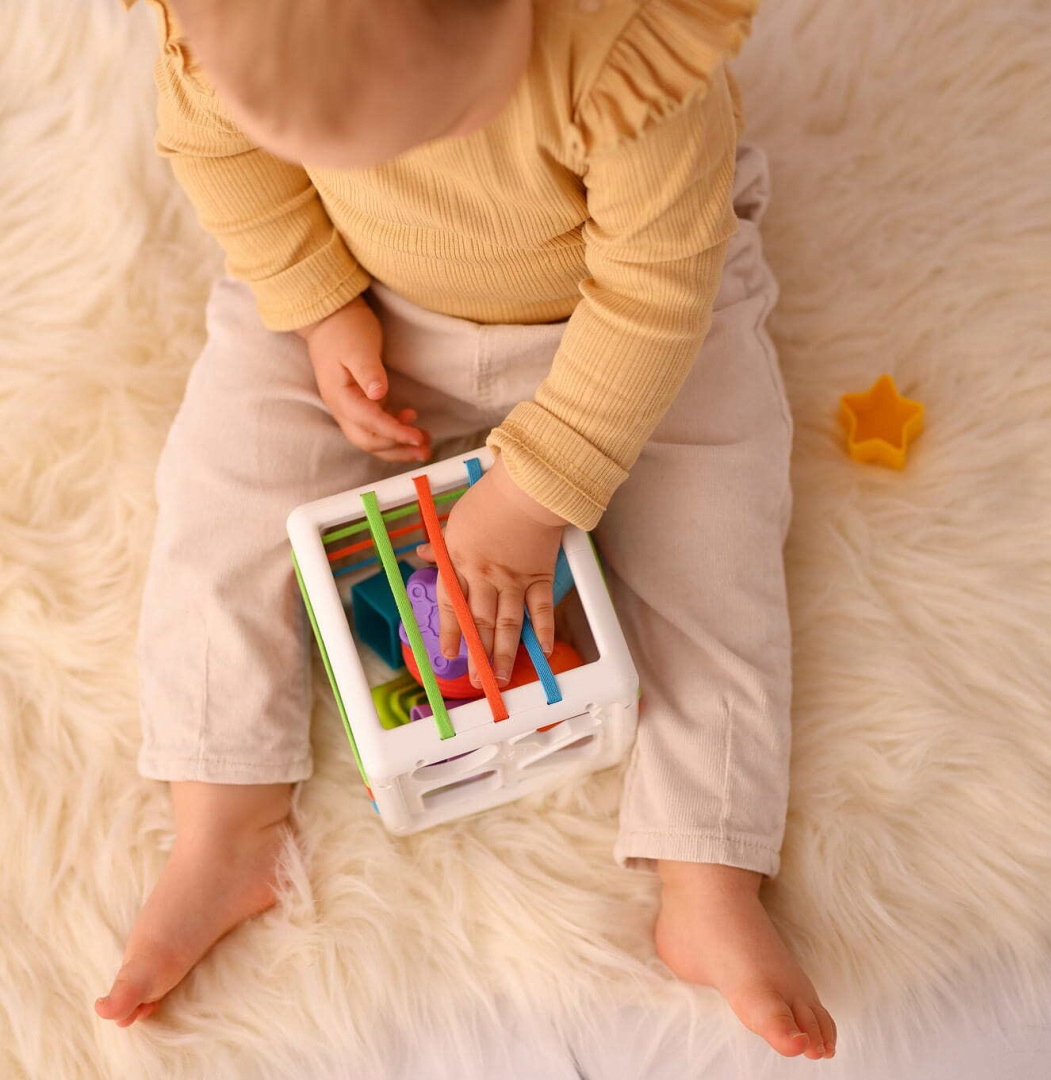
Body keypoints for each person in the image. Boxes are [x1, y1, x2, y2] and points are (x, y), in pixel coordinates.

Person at [97, 0, 837, 1059]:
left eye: (425, 131)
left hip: (628, 318)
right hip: (363, 289)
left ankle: (708, 874)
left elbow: (655, 290)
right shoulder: (220, 24)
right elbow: (220, 152)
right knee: (220, 494)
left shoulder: (627, 58)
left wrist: (539, 491)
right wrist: (316, 302)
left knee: (714, 549)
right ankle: (222, 823)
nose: (390, 160)